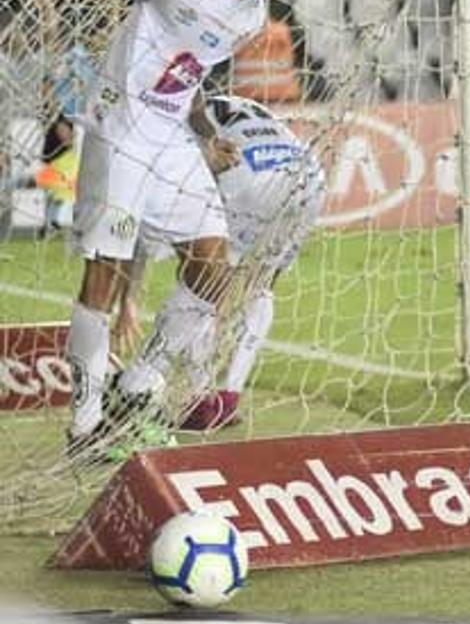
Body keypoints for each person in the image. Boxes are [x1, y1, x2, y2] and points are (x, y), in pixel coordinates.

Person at [0, 0, 303, 459]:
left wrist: (208, 133)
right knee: (105, 276)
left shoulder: (253, 15)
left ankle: (138, 380)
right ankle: (85, 426)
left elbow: (186, 77)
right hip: (120, 130)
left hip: (172, 141)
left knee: (213, 265)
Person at [114, 95, 326, 432]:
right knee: (262, 284)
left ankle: (192, 397)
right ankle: (227, 397)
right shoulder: (227, 103)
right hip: (308, 177)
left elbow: (134, 231)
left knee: (204, 278)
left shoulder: (159, 130)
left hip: (245, 176)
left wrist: (128, 300)